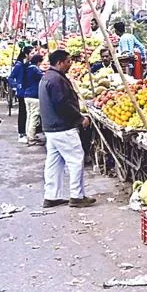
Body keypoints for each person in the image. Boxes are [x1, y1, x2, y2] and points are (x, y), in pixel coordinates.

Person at [39, 49, 95, 208]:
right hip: (62, 127)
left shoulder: (48, 77)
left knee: (54, 163)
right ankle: (77, 196)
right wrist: (79, 118)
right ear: (60, 63)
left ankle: (51, 196)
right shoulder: (56, 80)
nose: (70, 64)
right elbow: (62, 104)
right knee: (76, 159)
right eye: (68, 61)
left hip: (51, 128)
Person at [9, 45, 33, 143]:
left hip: (28, 92)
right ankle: (21, 133)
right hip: (22, 93)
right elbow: (10, 78)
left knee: (28, 113)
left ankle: (27, 132)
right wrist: (17, 85)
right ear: (26, 54)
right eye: (32, 53)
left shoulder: (28, 64)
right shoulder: (19, 65)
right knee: (23, 112)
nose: (33, 55)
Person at [23, 54, 46, 146]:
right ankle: (31, 138)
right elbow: (43, 77)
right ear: (38, 62)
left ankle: (29, 135)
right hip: (34, 96)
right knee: (34, 117)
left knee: (29, 116)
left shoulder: (28, 68)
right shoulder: (34, 69)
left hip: (27, 95)